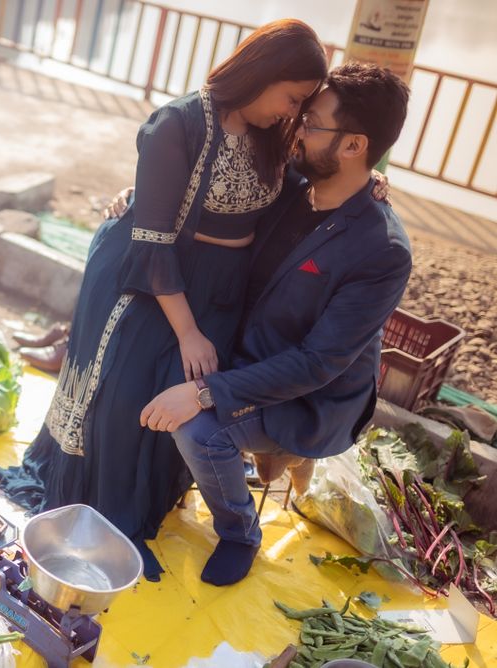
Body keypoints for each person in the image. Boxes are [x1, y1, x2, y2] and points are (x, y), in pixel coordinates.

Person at [0, 18, 330, 581]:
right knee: (125, 398)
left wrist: (369, 185)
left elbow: (302, 189)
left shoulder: (274, 133)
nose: (292, 112)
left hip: (222, 285)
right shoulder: (176, 124)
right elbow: (151, 242)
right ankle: (107, 518)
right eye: (292, 97)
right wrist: (189, 330)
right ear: (264, 73)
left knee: (179, 398)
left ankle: (145, 506)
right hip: (151, 276)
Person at [139, 62, 412, 586]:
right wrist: (140, 206)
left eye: (312, 122)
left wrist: (203, 394)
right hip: (249, 355)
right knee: (149, 357)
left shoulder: (382, 250)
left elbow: (319, 363)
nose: (297, 128)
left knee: (197, 426)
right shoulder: (290, 186)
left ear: (354, 146)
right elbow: (212, 198)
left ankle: (240, 530)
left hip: (307, 396)